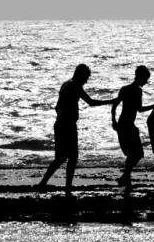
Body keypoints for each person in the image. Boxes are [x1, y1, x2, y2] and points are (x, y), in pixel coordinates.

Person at [37, 64, 113, 195]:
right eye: (86, 77)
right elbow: (91, 102)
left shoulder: (66, 84)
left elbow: (57, 107)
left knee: (62, 157)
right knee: (70, 157)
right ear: (81, 75)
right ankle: (65, 186)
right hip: (67, 125)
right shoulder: (74, 86)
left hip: (62, 123)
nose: (86, 81)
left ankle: (46, 183)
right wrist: (111, 101)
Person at [111, 65, 154, 190]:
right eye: (145, 79)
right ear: (140, 77)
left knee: (132, 154)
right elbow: (140, 109)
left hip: (123, 124)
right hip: (127, 125)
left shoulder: (125, 89)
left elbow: (115, 105)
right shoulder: (137, 91)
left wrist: (113, 120)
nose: (145, 82)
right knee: (137, 154)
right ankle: (125, 177)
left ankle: (126, 178)